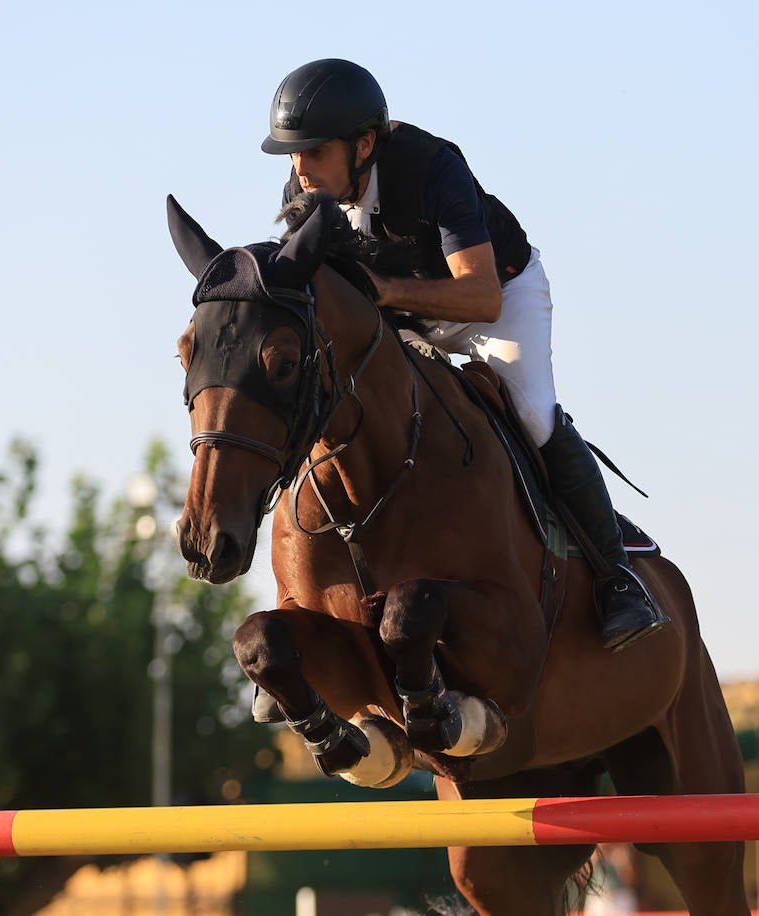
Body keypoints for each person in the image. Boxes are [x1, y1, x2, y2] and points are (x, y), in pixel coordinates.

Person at [259, 59, 666, 651]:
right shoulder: (309, 190)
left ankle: (618, 580)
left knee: (532, 416)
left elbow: (481, 295)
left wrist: (385, 292)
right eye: (294, 154)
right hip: (402, 314)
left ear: (364, 144)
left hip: (496, 298)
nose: (301, 168)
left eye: (315, 151)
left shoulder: (431, 168)